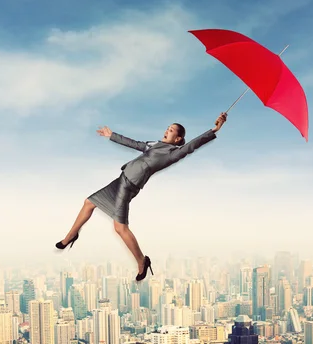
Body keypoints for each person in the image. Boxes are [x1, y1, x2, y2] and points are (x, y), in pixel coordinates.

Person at [55, 112, 228, 281]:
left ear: (177, 139)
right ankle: (70, 236)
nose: (167, 130)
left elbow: (192, 146)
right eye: (167, 128)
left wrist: (214, 130)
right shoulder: (155, 145)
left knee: (120, 228)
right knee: (88, 203)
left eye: (171, 130)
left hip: (129, 186)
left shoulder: (173, 153)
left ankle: (142, 261)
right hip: (121, 179)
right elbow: (135, 144)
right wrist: (111, 135)